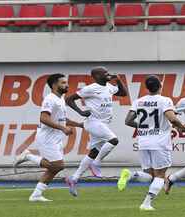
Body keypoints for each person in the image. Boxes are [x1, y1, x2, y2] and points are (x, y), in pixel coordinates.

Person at [119, 75, 185, 211]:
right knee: (160, 176)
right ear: (160, 86)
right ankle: (146, 204)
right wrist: (181, 126)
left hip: (143, 142)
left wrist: (145, 127)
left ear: (147, 88)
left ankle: (131, 175)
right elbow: (172, 118)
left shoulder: (139, 101)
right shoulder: (164, 100)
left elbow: (128, 121)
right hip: (160, 142)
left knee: (151, 176)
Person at [14, 73, 83, 202]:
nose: (66, 85)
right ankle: (28, 156)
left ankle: (36, 195)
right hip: (47, 138)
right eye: (63, 83)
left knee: (54, 169)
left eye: (66, 82)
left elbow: (62, 119)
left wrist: (79, 124)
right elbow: (43, 118)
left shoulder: (60, 99)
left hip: (56, 138)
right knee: (58, 166)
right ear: (54, 85)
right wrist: (63, 128)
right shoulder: (50, 99)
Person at [65, 66, 127, 197]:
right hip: (93, 122)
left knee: (93, 152)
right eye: (105, 73)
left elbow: (123, 93)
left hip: (102, 124)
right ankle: (97, 163)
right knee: (114, 140)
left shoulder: (109, 86)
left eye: (108, 72)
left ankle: (74, 178)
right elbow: (68, 99)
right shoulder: (90, 88)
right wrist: (80, 112)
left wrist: (119, 80)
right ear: (97, 76)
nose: (108, 74)